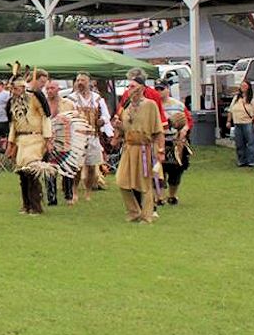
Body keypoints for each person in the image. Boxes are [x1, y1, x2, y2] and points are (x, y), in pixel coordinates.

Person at [114, 76, 164, 223]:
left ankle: (147, 215)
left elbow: (158, 130)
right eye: (128, 86)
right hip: (129, 148)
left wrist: (160, 151)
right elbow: (126, 129)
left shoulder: (150, 105)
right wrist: (119, 126)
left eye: (133, 86)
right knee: (121, 180)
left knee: (145, 183)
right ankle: (134, 211)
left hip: (144, 148)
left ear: (142, 88)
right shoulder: (127, 107)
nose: (130, 89)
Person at [7, 74, 52, 215]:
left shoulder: (34, 98)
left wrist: (48, 138)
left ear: (22, 87)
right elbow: (13, 125)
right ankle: (26, 205)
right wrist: (11, 144)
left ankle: (36, 206)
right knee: (22, 174)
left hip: (35, 139)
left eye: (16, 88)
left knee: (32, 171)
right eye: (12, 89)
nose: (14, 91)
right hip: (21, 140)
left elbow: (46, 117)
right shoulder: (12, 102)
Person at [66, 72, 113, 201]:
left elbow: (106, 116)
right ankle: (74, 190)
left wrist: (102, 121)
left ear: (89, 82)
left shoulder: (97, 99)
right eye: (78, 80)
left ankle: (88, 191)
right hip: (78, 137)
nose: (80, 83)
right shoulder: (71, 99)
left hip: (93, 135)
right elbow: (66, 115)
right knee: (77, 166)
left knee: (92, 166)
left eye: (83, 80)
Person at [156, 82, 193, 206]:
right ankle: (159, 196)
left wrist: (184, 129)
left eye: (161, 89)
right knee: (158, 169)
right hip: (159, 140)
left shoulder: (178, 105)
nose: (159, 91)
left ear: (167, 89)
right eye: (157, 89)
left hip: (175, 141)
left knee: (175, 170)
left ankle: (172, 195)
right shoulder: (153, 105)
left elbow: (188, 120)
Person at [44, 80, 76, 206]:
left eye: (52, 88)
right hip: (48, 141)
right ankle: (51, 198)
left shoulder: (68, 104)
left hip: (65, 140)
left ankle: (69, 196)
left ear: (58, 89)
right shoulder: (42, 104)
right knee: (49, 169)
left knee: (67, 169)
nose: (50, 91)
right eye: (47, 88)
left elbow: (75, 120)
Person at [226, 79, 254, 168]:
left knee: (250, 142)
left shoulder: (253, 97)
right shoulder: (236, 97)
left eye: (245, 86)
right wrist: (229, 121)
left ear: (249, 87)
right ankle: (242, 161)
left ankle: (251, 161)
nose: (243, 88)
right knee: (239, 143)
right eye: (241, 86)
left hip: (248, 122)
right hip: (237, 123)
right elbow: (230, 110)